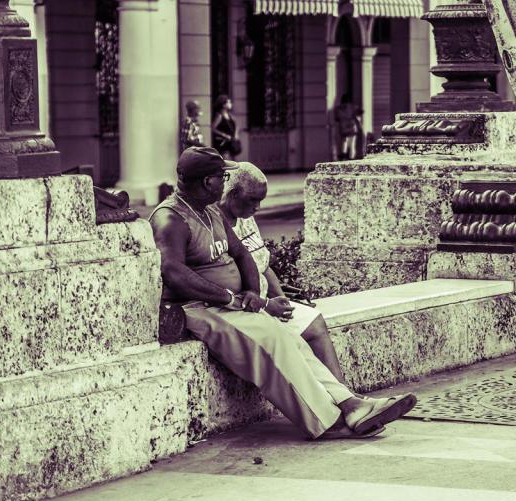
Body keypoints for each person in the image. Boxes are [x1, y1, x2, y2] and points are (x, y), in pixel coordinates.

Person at [149, 147, 416, 440]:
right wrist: (228, 297)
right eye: (222, 176)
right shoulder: (171, 219)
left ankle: (349, 404)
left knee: (290, 338)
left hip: (231, 304)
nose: (225, 182)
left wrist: (251, 292)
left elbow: (242, 255)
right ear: (206, 182)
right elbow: (173, 272)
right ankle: (327, 423)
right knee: (273, 342)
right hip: (199, 308)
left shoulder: (211, 211)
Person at [217, 161, 346, 383]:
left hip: (267, 302)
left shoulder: (246, 220)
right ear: (233, 194)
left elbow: (264, 266)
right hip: (247, 307)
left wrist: (282, 300)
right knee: (291, 342)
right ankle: (337, 397)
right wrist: (267, 305)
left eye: (261, 200)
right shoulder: (216, 224)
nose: (257, 207)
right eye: (253, 200)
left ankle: (344, 391)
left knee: (315, 322)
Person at [334, 93, 362, 160]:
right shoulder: (352, 107)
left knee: (345, 141)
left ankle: (344, 154)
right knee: (352, 143)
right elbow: (360, 112)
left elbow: (337, 119)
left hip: (343, 127)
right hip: (352, 126)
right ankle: (351, 156)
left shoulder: (338, 109)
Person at [211, 95, 239, 159]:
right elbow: (213, 128)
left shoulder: (230, 115)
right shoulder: (219, 116)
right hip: (224, 144)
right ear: (223, 105)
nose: (231, 104)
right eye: (229, 102)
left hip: (231, 143)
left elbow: (236, 125)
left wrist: (236, 134)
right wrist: (224, 135)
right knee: (226, 161)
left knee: (232, 161)